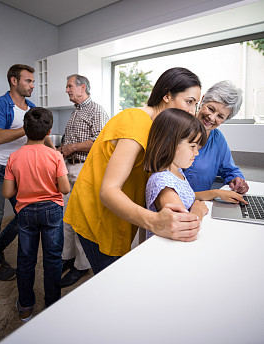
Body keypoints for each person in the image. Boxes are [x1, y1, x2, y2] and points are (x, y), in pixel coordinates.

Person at [64, 67, 203, 275]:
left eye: (196, 105)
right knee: (109, 281)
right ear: (166, 95)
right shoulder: (136, 122)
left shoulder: (157, 128)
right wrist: (155, 221)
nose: (192, 111)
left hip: (120, 214)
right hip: (97, 214)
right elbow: (108, 191)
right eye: (189, 101)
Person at [2, 107, 70, 322]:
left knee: (26, 258)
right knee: (52, 258)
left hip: (26, 212)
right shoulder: (54, 156)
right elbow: (65, 188)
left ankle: (25, 306)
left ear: (25, 129)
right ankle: (53, 303)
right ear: (49, 131)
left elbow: (7, 192)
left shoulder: (14, 157)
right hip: (51, 210)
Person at [59, 74, 109, 287]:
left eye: (70, 86)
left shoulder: (96, 109)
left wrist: (72, 147)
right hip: (69, 168)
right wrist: (63, 148)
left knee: (81, 219)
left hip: (84, 170)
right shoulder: (76, 111)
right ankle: (67, 258)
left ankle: (82, 265)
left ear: (82, 87)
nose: (67, 90)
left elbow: (100, 140)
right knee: (67, 218)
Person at [0, 64, 36, 281]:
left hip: (19, 171)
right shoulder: (1, 104)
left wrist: (54, 151)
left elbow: (40, 135)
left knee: (24, 215)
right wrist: (27, 127)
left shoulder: (31, 107)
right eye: (28, 81)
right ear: (14, 81)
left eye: (32, 81)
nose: (32, 85)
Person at [144, 108, 209, 239]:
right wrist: (198, 210)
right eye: (192, 146)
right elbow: (184, 225)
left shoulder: (177, 172)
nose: (196, 153)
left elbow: (185, 198)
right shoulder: (162, 182)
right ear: (170, 144)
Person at [184, 80, 249, 199]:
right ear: (202, 100)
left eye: (220, 116)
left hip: (201, 207)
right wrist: (216, 194)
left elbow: (230, 170)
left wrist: (237, 179)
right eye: (211, 109)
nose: (212, 118)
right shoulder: (178, 127)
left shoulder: (217, 139)